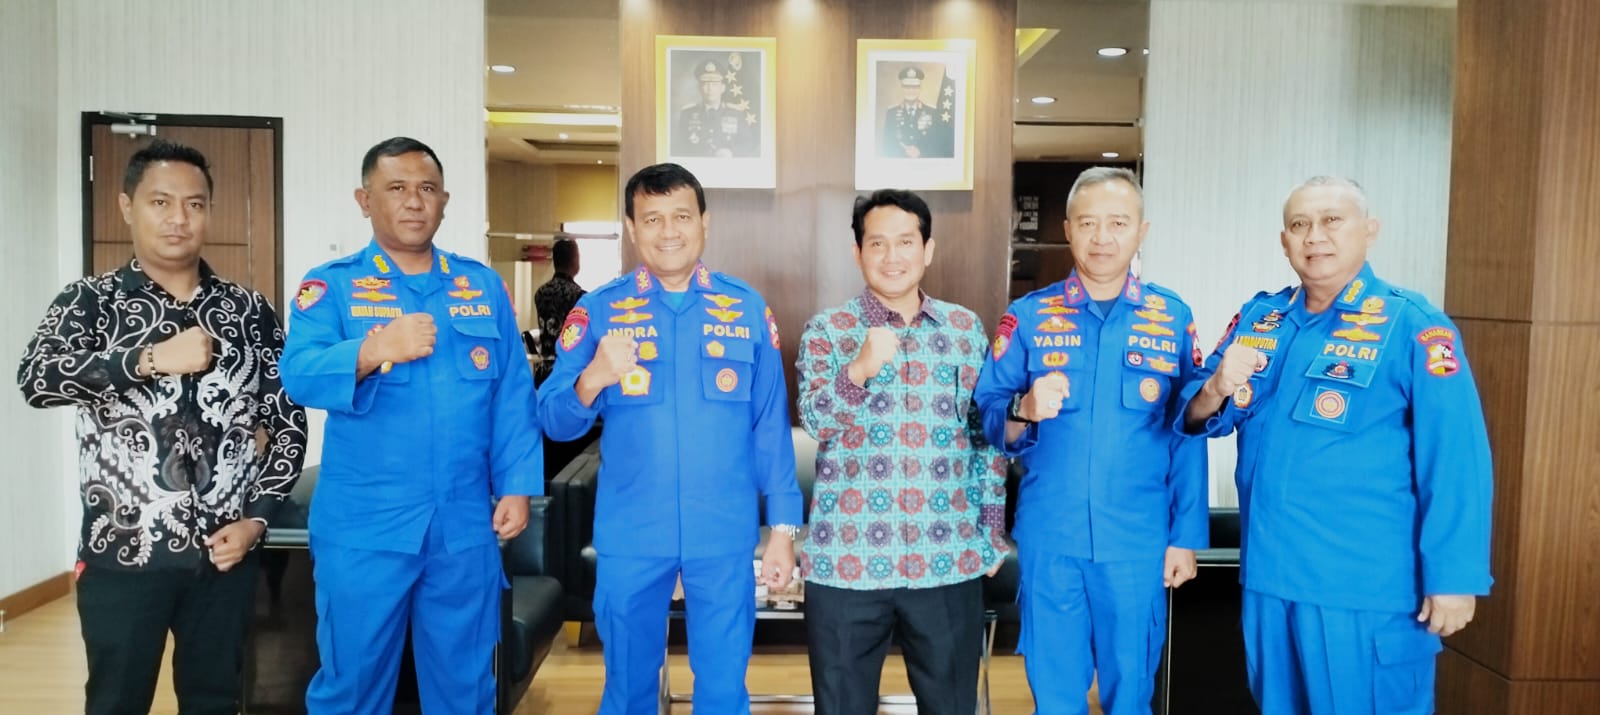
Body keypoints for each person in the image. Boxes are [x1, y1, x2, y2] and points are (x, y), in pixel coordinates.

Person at [1181, 176, 1492, 715]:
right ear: (1284, 240)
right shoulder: (1261, 319)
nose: (1314, 237)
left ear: (1369, 230)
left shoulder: (1412, 325)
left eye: (1332, 221)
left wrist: (1455, 576)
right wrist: (1214, 388)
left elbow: (1457, 460)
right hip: (1271, 579)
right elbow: (1193, 415)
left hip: (1364, 589)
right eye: (1299, 225)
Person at [17, 139, 307, 715]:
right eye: (161, 202)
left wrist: (257, 519)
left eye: (194, 204)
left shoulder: (248, 311)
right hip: (122, 553)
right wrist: (148, 359)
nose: (179, 218)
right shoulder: (89, 302)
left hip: (225, 557)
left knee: (216, 700)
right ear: (127, 206)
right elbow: (37, 379)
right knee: (116, 702)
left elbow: (287, 421)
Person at [279, 137, 543, 715]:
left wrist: (517, 485)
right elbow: (298, 374)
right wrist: (373, 350)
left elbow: (511, 395)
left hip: (462, 522)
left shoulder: (479, 286)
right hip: (365, 523)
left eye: (427, 189)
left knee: (466, 686)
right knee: (352, 685)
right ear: (365, 200)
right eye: (396, 188)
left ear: (444, 200)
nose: (414, 201)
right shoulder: (332, 285)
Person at [537, 162, 800, 715]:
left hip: (722, 532)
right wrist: (593, 378)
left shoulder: (746, 308)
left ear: (704, 221)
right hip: (633, 532)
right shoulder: (599, 309)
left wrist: (782, 529)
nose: (668, 231)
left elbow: (770, 429)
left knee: (723, 691)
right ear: (632, 228)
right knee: (628, 689)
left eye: (681, 215)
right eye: (652, 218)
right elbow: (555, 421)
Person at [973, 167, 1208, 715]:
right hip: (1052, 536)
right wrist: (1023, 408)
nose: (1102, 237)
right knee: (1055, 692)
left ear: (1141, 231)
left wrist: (1186, 536)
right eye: (1088, 223)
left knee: (1131, 691)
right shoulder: (1028, 317)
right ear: (1067, 230)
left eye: (1118, 223)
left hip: (1137, 541)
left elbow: (1189, 434)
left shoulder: (1171, 318)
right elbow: (987, 419)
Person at [795, 189, 1009, 714]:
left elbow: (985, 439)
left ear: (928, 249)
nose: (892, 256)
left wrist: (990, 533)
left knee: (951, 706)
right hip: (847, 561)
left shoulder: (964, 330)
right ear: (857, 253)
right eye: (877, 243)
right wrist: (859, 369)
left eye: (906, 242)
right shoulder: (828, 330)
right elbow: (817, 422)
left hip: (947, 558)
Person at [673, 59, 755, 158]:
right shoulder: (687, 114)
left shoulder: (736, 113)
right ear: (699, 88)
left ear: (723, 88)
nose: (710, 89)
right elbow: (679, 147)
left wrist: (732, 152)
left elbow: (748, 144)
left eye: (715, 84)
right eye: (705, 84)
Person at [534, 238, 585, 383]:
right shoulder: (579, 296)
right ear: (574, 260)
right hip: (569, 373)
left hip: (545, 372)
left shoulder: (540, 293)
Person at [880, 66, 952, 159]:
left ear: (920, 88)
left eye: (915, 87)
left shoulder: (932, 112)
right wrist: (904, 152)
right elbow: (887, 145)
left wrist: (920, 152)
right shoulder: (891, 113)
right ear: (902, 88)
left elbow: (937, 144)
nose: (911, 91)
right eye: (907, 87)